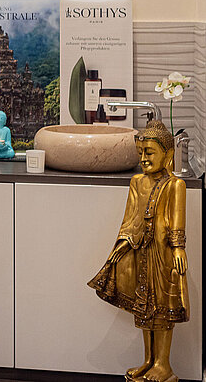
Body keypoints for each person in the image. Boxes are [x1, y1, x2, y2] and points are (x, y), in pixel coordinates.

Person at [88, 120, 189, 382]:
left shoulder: (175, 185)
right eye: (140, 153)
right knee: (143, 307)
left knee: (163, 307)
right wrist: (122, 243)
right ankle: (148, 361)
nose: (143, 158)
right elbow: (130, 218)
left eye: (149, 153)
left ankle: (163, 364)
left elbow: (176, 221)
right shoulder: (137, 182)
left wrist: (178, 248)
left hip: (163, 254)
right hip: (140, 251)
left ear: (167, 155)